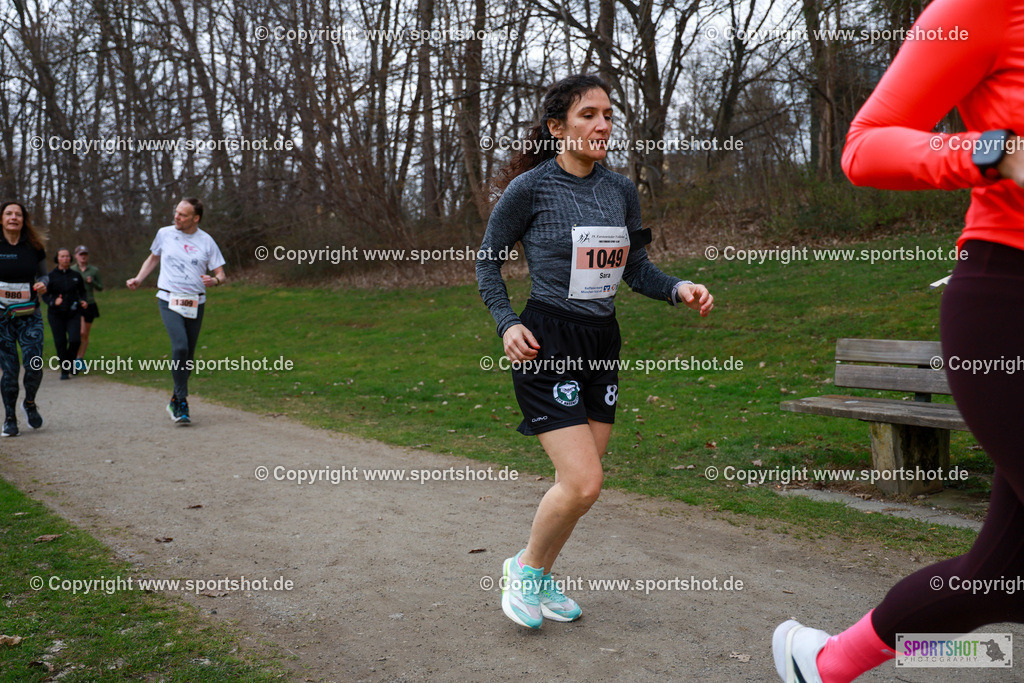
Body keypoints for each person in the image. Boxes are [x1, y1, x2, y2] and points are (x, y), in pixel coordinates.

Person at [773, 1, 1024, 681]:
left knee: (997, 577)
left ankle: (826, 661)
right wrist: (987, 152)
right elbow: (865, 144)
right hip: (1007, 299)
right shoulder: (985, 8)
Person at [475, 74, 714, 629]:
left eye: (608, 114)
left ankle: (537, 569)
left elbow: (633, 267)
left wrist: (677, 288)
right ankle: (525, 572)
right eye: (588, 115)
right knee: (584, 482)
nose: (602, 124)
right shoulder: (529, 189)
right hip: (547, 341)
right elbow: (488, 262)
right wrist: (506, 323)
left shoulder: (619, 189)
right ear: (557, 126)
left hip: (601, 342)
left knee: (580, 485)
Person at [126, 197, 226, 424]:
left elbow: (221, 274)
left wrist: (215, 281)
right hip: (169, 299)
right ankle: (182, 400)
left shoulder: (206, 241)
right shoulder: (165, 233)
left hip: (195, 302)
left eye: (182, 214)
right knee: (180, 346)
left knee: (188, 356)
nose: (176, 217)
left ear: (195, 218)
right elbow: (153, 258)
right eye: (176, 212)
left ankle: (175, 399)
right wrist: (139, 279)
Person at [0, 201, 49, 436]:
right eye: (8, 213)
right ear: (1, 219)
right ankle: (10, 418)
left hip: (29, 316)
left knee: (34, 366)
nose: (13, 217)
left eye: (18, 214)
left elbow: (45, 275)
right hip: (2, 319)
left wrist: (43, 284)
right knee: (9, 371)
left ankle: (29, 403)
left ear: (23, 220)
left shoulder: (34, 246)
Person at [43, 248, 88, 380]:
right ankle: (65, 370)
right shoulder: (50, 276)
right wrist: (53, 301)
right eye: (62, 256)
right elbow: (45, 295)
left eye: (67, 256)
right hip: (56, 314)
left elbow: (83, 291)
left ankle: (71, 362)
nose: (65, 259)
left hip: (73, 312)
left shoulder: (76, 275)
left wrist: (83, 301)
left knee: (75, 340)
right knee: (60, 342)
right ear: (57, 259)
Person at [71, 245, 102, 368]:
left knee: (85, 334)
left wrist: (92, 282)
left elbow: (100, 287)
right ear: (76, 256)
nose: (83, 257)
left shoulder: (94, 270)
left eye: (85, 254)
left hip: (90, 304)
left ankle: (79, 358)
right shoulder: (72, 270)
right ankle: (74, 357)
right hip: (77, 304)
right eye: (80, 254)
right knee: (80, 331)